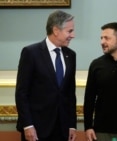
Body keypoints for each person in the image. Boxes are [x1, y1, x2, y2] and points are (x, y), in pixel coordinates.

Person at [15, 10, 77, 141]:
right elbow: (21, 93)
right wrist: (28, 125)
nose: (73, 35)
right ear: (56, 30)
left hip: (62, 130)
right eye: (70, 31)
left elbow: (70, 94)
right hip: (37, 129)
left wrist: (72, 125)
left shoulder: (71, 55)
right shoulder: (31, 53)